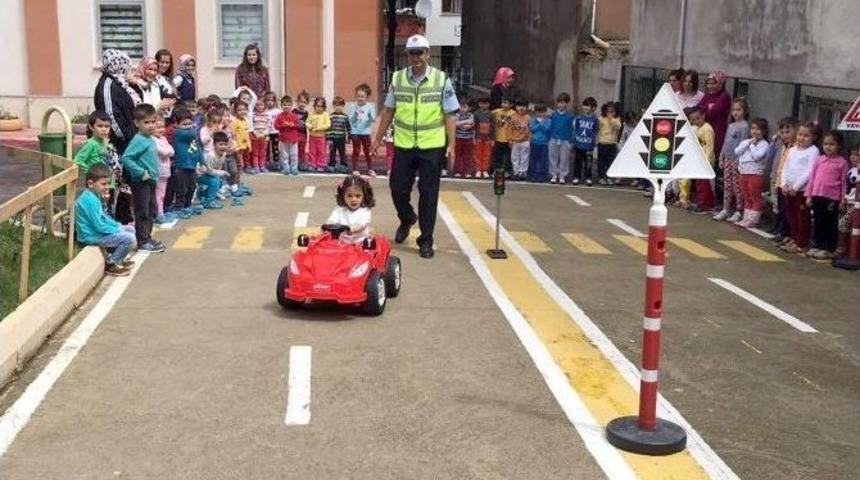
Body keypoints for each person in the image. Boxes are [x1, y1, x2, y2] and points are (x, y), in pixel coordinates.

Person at [371, 34, 460, 259]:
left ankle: (426, 240)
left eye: (420, 52)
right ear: (407, 55)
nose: (416, 57)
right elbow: (389, 110)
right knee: (397, 188)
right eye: (412, 53)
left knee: (428, 194)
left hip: (432, 146)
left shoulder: (441, 79)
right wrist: (378, 138)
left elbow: (450, 114)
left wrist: (452, 145)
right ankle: (407, 218)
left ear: (428, 54)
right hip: (404, 144)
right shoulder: (398, 79)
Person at [75, 164, 137, 276]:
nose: (107, 187)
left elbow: (104, 217)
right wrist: (117, 229)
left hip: (96, 232)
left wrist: (117, 226)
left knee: (130, 230)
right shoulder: (89, 200)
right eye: (103, 184)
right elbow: (99, 226)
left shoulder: (95, 196)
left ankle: (118, 258)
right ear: (90, 183)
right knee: (129, 238)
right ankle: (111, 264)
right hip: (90, 236)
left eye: (108, 183)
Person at [120, 103, 164, 253]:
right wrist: (140, 172)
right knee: (142, 211)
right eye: (146, 123)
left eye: (153, 122)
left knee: (150, 209)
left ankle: (148, 237)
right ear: (137, 123)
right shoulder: (138, 140)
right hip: (141, 182)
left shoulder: (149, 139)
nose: (151, 126)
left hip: (150, 181)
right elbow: (126, 158)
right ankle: (143, 240)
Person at [805, 132, 849, 259]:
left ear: (839, 146)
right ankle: (817, 246)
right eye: (825, 144)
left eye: (832, 144)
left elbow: (843, 183)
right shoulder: (819, 160)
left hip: (832, 198)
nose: (828, 147)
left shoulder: (842, 163)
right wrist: (809, 195)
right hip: (817, 196)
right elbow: (812, 179)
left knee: (829, 223)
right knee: (818, 221)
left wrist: (842, 200)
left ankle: (828, 248)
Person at [779, 122, 821, 254]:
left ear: (813, 137)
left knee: (801, 216)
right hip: (789, 188)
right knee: (790, 214)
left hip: (801, 191)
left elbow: (810, 171)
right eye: (800, 134)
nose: (802, 138)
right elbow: (785, 167)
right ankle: (794, 237)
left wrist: (796, 187)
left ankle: (801, 242)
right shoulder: (792, 149)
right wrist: (784, 183)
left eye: (806, 136)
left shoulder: (813, 151)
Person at [94, 49, 140, 155]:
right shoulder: (107, 84)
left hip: (130, 138)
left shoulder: (119, 82)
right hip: (121, 142)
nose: (128, 68)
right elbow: (110, 114)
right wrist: (125, 136)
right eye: (126, 65)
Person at [714, 98, 751, 222]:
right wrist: (721, 157)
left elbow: (743, 144)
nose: (736, 112)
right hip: (728, 159)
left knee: (737, 186)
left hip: (736, 161)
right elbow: (726, 142)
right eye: (734, 110)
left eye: (739, 110)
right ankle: (725, 208)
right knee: (727, 185)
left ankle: (739, 210)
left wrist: (739, 161)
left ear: (745, 111)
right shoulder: (731, 125)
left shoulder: (745, 126)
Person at [733, 118, 769, 228]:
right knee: (746, 196)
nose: (755, 131)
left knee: (755, 197)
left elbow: (757, 156)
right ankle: (746, 217)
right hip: (743, 173)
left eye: (759, 129)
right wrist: (748, 143)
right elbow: (737, 151)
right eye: (753, 128)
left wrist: (752, 145)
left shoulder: (764, 144)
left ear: (764, 131)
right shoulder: (746, 142)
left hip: (755, 174)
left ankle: (753, 220)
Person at [768, 117, 799, 241]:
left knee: (788, 210)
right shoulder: (783, 146)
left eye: (788, 132)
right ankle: (781, 231)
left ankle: (788, 234)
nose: (784, 135)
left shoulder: (795, 148)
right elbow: (771, 158)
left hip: (788, 183)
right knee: (780, 207)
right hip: (779, 181)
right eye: (782, 132)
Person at [171, 107, 204, 217]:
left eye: (190, 123)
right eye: (184, 124)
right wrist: (195, 128)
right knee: (182, 189)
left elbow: (198, 149)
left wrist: (202, 162)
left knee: (192, 187)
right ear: (176, 124)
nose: (188, 126)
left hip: (192, 166)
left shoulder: (192, 134)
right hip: (181, 166)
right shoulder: (178, 133)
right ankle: (179, 207)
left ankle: (187, 205)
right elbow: (192, 134)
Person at [326, 174, 375, 245]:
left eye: (358, 196)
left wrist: (352, 229)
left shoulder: (365, 211)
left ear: (364, 196)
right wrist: (328, 227)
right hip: (341, 243)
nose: (353, 199)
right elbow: (331, 221)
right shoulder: (339, 210)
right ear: (343, 196)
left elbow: (361, 224)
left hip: (360, 243)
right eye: (349, 196)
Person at [686, 106, 717, 212]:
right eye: (693, 120)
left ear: (703, 116)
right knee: (700, 183)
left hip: (706, 160)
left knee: (704, 183)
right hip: (701, 160)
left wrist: (706, 160)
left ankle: (705, 204)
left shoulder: (707, 129)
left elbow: (709, 146)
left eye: (698, 118)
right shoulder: (699, 129)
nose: (696, 121)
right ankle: (703, 202)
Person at [698, 70, 732, 155]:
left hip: (717, 131)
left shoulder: (725, 96)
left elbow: (712, 113)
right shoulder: (707, 96)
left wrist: (708, 108)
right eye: (708, 83)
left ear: (721, 84)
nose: (710, 86)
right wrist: (708, 107)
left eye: (713, 83)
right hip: (704, 130)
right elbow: (698, 110)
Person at [197, 131, 231, 209]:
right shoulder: (211, 155)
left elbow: (218, 167)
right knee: (215, 182)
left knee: (219, 182)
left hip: (210, 173)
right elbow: (208, 170)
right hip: (200, 174)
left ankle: (203, 193)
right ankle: (209, 201)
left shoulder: (224, 154)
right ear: (214, 145)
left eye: (225, 144)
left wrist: (219, 174)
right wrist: (221, 173)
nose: (223, 147)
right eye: (220, 144)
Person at [348, 83, 376, 175]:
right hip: (355, 132)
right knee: (356, 150)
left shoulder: (370, 107)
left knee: (368, 151)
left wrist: (370, 117)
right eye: (358, 96)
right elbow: (351, 120)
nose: (360, 98)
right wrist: (355, 115)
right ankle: (355, 169)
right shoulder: (353, 106)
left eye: (363, 96)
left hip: (366, 132)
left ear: (367, 97)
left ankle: (370, 168)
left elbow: (373, 119)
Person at [837, 148, 859, 256]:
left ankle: (842, 248)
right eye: (852, 154)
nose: (853, 157)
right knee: (844, 224)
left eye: (856, 155)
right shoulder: (850, 170)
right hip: (847, 201)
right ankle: (845, 247)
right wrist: (844, 198)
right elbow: (846, 186)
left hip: (856, 204)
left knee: (844, 223)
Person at [153, 117, 176, 224]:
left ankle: (160, 212)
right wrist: (168, 150)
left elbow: (171, 150)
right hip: (157, 170)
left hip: (165, 170)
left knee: (162, 193)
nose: (161, 130)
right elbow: (164, 151)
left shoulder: (163, 138)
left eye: (162, 127)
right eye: (158, 128)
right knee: (159, 194)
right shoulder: (152, 140)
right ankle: (159, 214)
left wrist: (169, 150)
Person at [572, 97, 599, 186]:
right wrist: (574, 140)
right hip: (579, 143)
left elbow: (596, 131)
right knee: (578, 161)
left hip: (589, 145)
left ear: (593, 108)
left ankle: (588, 177)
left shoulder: (595, 119)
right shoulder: (579, 118)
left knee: (588, 162)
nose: (585, 107)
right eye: (584, 105)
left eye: (588, 105)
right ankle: (576, 177)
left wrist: (594, 142)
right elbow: (575, 129)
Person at [548, 92, 574, 184]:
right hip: (554, 139)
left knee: (564, 158)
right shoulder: (553, 115)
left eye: (563, 103)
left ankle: (562, 175)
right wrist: (550, 138)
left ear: (567, 103)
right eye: (559, 102)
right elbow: (550, 127)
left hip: (565, 140)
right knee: (553, 157)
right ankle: (554, 174)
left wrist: (571, 141)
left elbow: (571, 129)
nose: (561, 105)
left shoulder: (570, 116)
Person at [275, 95, 302, 176]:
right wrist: (283, 125)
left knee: (294, 155)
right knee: (284, 155)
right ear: (281, 105)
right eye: (284, 105)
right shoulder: (279, 116)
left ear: (291, 105)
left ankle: (294, 168)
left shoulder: (294, 116)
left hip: (293, 139)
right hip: (283, 139)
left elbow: (299, 126)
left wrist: (292, 125)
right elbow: (276, 126)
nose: (286, 107)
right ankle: (286, 168)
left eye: (288, 105)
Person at [596, 102, 622, 185]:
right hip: (602, 143)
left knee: (610, 161)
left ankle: (609, 177)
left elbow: (618, 127)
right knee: (601, 161)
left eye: (612, 111)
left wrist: (612, 119)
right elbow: (597, 128)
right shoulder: (601, 119)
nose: (610, 113)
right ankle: (601, 177)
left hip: (612, 143)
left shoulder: (616, 119)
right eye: (608, 111)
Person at [508, 98, 531, 180]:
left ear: (527, 107)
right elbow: (509, 129)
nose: (521, 108)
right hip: (515, 141)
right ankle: (515, 171)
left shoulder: (528, 118)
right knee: (514, 157)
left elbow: (530, 129)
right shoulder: (512, 117)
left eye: (524, 106)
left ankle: (523, 172)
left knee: (524, 157)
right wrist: (510, 139)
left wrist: (529, 139)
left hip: (525, 141)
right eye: (519, 106)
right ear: (516, 107)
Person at [306, 97, 331, 172]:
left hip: (321, 137)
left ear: (324, 107)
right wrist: (310, 126)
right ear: (314, 106)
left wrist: (319, 128)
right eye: (317, 106)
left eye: (321, 106)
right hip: (312, 136)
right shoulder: (311, 114)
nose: (319, 108)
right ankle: (312, 164)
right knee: (312, 151)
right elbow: (307, 122)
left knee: (321, 152)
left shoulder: (325, 114)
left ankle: (321, 164)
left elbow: (328, 124)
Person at [527, 104, 551, 182]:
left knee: (543, 160)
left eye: (542, 112)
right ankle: (533, 175)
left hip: (544, 143)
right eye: (538, 112)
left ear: (545, 112)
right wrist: (540, 124)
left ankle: (542, 175)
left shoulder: (548, 120)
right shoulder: (532, 120)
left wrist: (541, 124)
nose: (540, 114)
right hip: (534, 142)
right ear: (536, 112)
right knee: (533, 159)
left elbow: (547, 129)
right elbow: (532, 129)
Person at [452, 98, 475, 178]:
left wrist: (460, 124)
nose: (462, 109)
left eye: (465, 107)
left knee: (468, 155)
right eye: (461, 106)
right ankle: (458, 171)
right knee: (458, 155)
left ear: (470, 108)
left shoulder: (471, 115)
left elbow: (470, 125)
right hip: (458, 137)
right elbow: (455, 124)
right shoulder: (458, 114)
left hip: (468, 138)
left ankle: (467, 171)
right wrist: (465, 122)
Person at [491, 97, 514, 177]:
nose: (504, 104)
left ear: (511, 104)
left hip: (508, 139)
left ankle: (507, 171)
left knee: (508, 156)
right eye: (503, 102)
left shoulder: (513, 113)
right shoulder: (497, 111)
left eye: (506, 103)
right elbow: (489, 114)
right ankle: (496, 170)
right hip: (498, 138)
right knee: (498, 156)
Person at [327, 96, 351, 173]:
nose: (338, 107)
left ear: (343, 106)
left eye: (340, 105)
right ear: (333, 106)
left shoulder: (345, 116)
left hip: (342, 137)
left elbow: (348, 127)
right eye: (336, 105)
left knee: (342, 152)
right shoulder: (331, 116)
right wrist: (329, 138)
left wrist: (349, 137)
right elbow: (329, 128)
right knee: (332, 152)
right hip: (333, 137)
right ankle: (332, 164)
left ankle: (343, 165)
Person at [473, 97, 494, 179]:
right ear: (479, 104)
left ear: (488, 104)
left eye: (485, 103)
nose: (483, 105)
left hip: (488, 138)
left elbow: (493, 127)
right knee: (477, 154)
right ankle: (478, 169)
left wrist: (492, 139)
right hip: (478, 137)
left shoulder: (491, 114)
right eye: (481, 103)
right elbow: (474, 127)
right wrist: (473, 137)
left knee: (487, 154)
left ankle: (485, 170)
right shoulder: (476, 114)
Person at [231, 101, 252, 174]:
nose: (242, 111)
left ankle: (247, 166)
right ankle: (240, 168)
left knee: (247, 155)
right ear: (235, 111)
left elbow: (247, 132)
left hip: (246, 142)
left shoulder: (246, 120)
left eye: (244, 109)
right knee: (239, 156)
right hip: (239, 142)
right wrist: (234, 142)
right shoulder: (235, 121)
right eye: (239, 110)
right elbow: (233, 133)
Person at [251, 100, 271, 173]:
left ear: (264, 106)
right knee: (255, 152)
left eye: (261, 105)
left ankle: (262, 166)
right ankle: (256, 166)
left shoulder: (267, 115)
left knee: (263, 153)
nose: (260, 107)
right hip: (256, 137)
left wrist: (264, 133)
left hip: (264, 137)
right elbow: (252, 126)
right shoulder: (253, 115)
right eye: (258, 105)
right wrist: (256, 133)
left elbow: (269, 125)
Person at [263, 91, 282, 171]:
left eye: (272, 100)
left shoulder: (278, 111)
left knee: (275, 148)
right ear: (265, 101)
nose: (270, 102)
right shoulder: (264, 111)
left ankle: (276, 162)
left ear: (274, 101)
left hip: (276, 132)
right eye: (268, 100)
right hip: (267, 133)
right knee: (266, 148)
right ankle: (266, 162)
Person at [293, 91, 311, 170]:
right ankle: (294, 163)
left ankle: (302, 163)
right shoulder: (293, 111)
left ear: (307, 103)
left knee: (302, 149)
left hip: (303, 134)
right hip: (295, 133)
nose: (302, 104)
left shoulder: (307, 113)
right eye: (301, 101)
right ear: (297, 101)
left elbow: (308, 123)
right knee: (294, 150)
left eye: (304, 102)